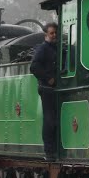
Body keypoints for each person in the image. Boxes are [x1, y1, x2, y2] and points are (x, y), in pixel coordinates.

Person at [30, 22, 60, 160]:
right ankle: (49, 151)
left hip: (57, 89)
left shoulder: (58, 48)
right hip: (47, 88)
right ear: (46, 35)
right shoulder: (43, 49)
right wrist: (48, 79)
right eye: (51, 33)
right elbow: (34, 66)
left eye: (55, 33)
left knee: (56, 119)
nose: (54, 35)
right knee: (50, 119)